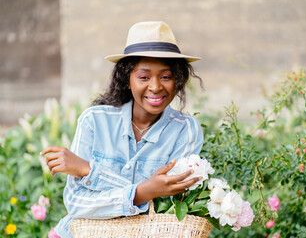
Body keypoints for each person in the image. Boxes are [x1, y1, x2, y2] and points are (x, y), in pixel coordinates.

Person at [40, 21, 204, 237]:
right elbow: (76, 204)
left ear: (178, 80)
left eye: (166, 76)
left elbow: (170, 206)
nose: (155, 86)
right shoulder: (94, 121)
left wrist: (89, 171)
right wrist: (144, 192)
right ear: (127, 79)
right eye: (143, 77)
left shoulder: (186, 130)